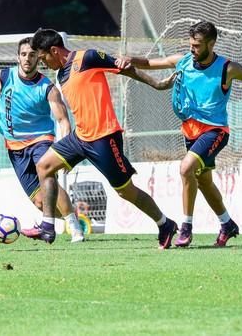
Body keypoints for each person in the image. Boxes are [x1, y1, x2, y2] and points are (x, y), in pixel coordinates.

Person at [117, 20, 242, 247]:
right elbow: (151, 63)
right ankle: (227, 224)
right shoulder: (183, 62)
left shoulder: (226, 68)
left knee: (186, 168)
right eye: (191, 44)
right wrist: (129, 60)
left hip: (215, 131)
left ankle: (186, 228)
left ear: (211, 44)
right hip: (190, 132)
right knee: (203, 181)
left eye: (198, 45)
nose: (193, 49)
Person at [28, 28, 179, 248]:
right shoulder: (61, 74)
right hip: (79, 137)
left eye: (43, 58)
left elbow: (124, 68)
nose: (43, 63)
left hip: (103, 137)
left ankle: (165, 224)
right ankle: (48, 226)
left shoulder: (88, 57)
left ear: (54, 50)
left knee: (125, 190)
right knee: (44, 166)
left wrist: (156, 84)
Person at [0, 37, 84, 243]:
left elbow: (63, 121)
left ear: (39, 58)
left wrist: (64, 151)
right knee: (39, 201)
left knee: (48, 175)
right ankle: (70, 219)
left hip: (40, 140)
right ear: (17, 57)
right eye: (24, 54)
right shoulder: (3, 77)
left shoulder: (48, 87)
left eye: (32, 54)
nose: (27, 58)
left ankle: (74, 229)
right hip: (14, 147)